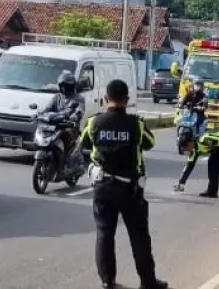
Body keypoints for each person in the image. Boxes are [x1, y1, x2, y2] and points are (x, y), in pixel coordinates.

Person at [79, 79, 168, 289]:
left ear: (105, 99)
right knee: (139, 237)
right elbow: (150, 143)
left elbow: (83, 144)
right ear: (126, 100)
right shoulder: (136, 124)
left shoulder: (94, 123)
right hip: (130, 190)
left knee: (104, 234)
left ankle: (107, 281)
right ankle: (148, 282)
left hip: (103, 188)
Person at [42, 70, 85, 177]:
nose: (65, 88)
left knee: (65, 137)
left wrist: (75, 116)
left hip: (70, 127)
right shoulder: (57, 97)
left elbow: (80, 110)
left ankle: (66, 162)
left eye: (67, 86)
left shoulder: (78, 98)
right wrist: (39, 114)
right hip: (55, 127)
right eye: (63, 85)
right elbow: (47, 108)